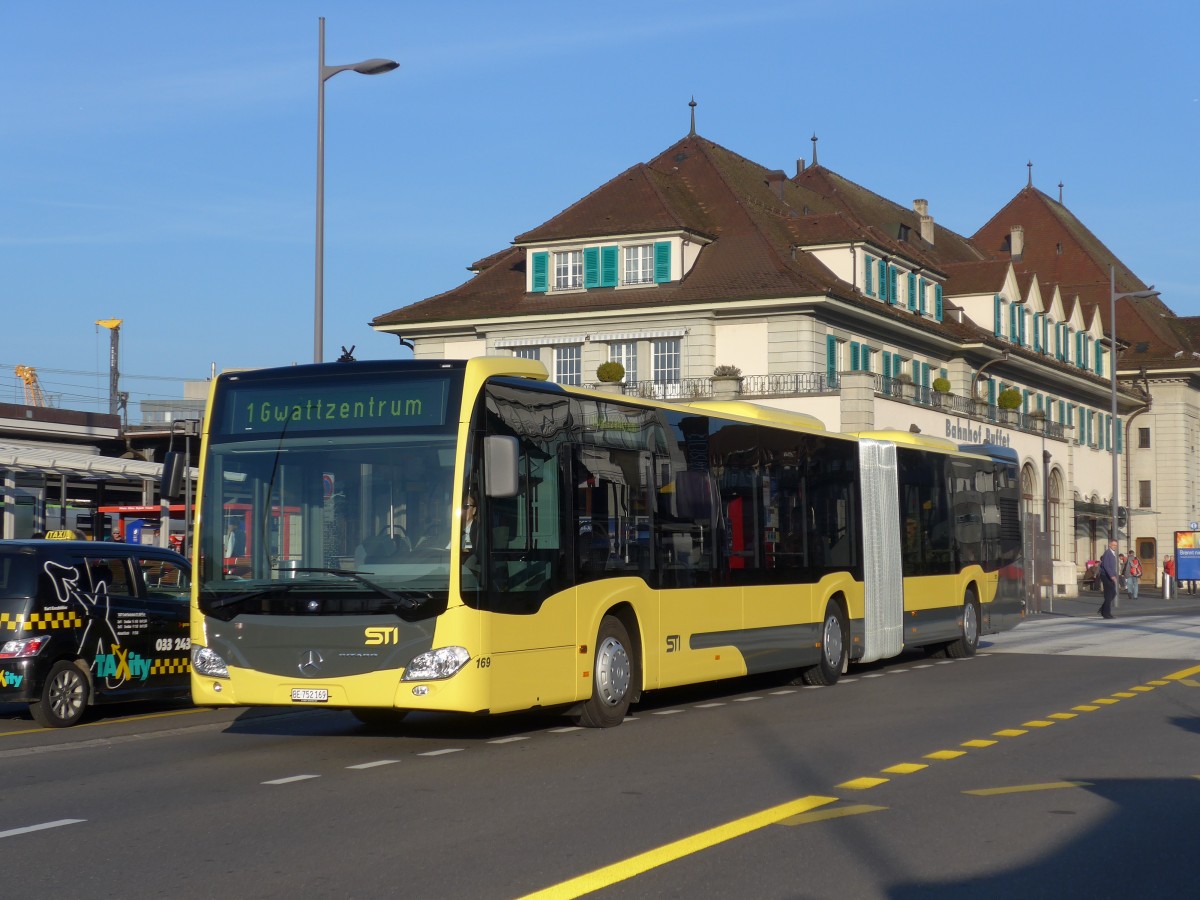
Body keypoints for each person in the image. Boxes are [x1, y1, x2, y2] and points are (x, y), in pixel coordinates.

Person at [1098, 538, 1118, 619]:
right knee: (1109, 594)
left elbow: (1112, 567)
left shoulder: (1112, 553)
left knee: (1113, 593)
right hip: (1105, 575)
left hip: (1109, 575)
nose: (1114, 546)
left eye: (1116, 545)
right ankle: (1106, 613)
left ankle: (1103, 610)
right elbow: (1106, 566)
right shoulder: (1107, 553)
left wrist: (1115, 575)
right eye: (1113, 545)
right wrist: (1112, 576)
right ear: (1110, 545)